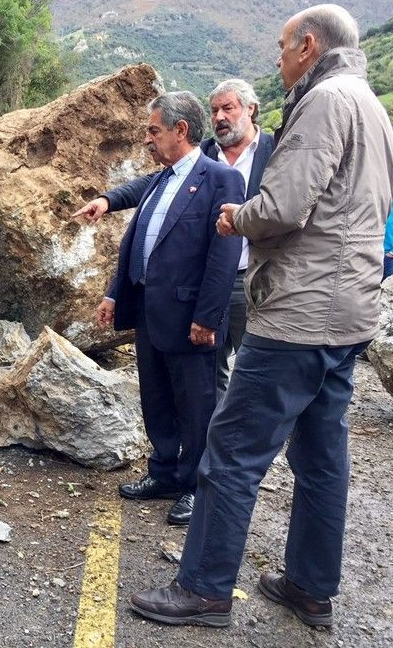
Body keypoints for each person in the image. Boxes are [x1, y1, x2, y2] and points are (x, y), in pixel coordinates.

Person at [129, 4, 393, 628]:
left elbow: (284, 206)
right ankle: (310, 586)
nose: (278, 59)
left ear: (309, 46)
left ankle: (204, 589)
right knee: (321, 457)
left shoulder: (324, 101)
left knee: (231, 449)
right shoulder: (372, 105)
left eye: (282, 47)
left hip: (300, 312)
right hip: (350, 311)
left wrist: (236, 218)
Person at [73, 91, 244, 526]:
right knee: (157, 398)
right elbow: (137, 243)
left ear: (180, 130)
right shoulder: (160, 179)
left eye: (153, 131)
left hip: (191, 318)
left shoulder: (220, 179)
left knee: (198, 407)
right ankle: (165, 473)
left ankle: (196, 486)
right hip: (150, 312)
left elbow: (223, 255)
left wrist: (207, 317)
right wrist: (115, 293)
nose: (147, 139)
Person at [76, 79, 275, 399]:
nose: (220, 117)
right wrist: (108, 200)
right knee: (212, 369)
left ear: (250, 109)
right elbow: (152, 184)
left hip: (255, 277)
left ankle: (256, 425)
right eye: (214, 110)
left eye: (228, 108)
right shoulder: (202, 153)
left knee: (258, 364)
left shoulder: (275, 151)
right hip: (207, 281)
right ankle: (216, 426)